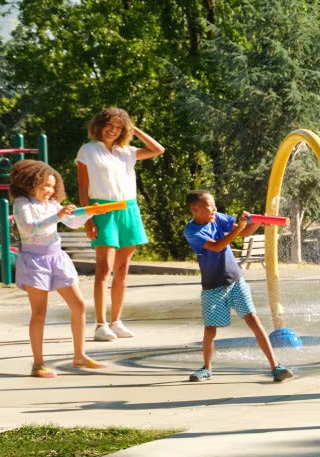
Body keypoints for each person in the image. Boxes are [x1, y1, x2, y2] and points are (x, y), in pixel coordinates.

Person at [182, 190, 295, 384]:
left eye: (214, 205)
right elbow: (217, 246)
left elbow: (244, 233)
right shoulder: (192, 232)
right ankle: (206, 368)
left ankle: (276, 366)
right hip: (213, 287)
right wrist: (239, 228)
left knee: (253, 320)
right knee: (210, 329)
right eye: (210, 206)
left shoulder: (217, 217)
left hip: (235, 280)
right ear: (195, 209)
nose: (215, 209)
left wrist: (257, 221)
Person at [8, 159, 105, 378]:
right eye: (44, 186)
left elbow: (72, 222)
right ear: (29, 183)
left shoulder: (52, 204)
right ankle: (38, 364)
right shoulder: (22, 203)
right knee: (39, 313)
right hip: (34, 260)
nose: (49, 191)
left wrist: (90, 212)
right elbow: (31, 229)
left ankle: (79, 356)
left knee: (78, 305)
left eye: (52, 186)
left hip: (56, 257)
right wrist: (58, 216)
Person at [76, 106, 165, 341]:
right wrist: (88, 218)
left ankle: (116, 321)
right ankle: (100, 325)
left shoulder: (127, 151)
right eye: (109, 126)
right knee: (104, 268)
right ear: (99, 125)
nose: (113, 131)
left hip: (129, 210)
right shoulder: (88, 150)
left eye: (118, 128)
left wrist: (133, 129)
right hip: (102, 210)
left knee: (123, 270)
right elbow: (83, 187)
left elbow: (158, 150)